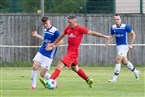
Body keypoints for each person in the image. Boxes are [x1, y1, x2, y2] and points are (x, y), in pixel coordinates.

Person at [40, 14, 112, 88]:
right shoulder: (68, 28)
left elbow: (92, 33)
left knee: (60, 65)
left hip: (73, 53)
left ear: (74, 21)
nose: (68, 24)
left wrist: (105, 36)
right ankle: (88, 79)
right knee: (75, 68)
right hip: (69, 52)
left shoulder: (80, 29)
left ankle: (50, 81)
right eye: (68, 22)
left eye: (70, 22)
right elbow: (61, 35)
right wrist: (53, 44)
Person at [105, 14, 140, 82]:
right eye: (115, 19)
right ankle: (136, 71)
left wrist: (131, 44)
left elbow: (133, 34)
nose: (116, 21)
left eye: (118, 19)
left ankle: (114, 79)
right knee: (125, 61)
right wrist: (107, 43)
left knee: (118, 60)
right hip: (118, 46)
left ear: (120, 19)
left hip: (124, 46)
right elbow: (111, 36)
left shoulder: (125, 26)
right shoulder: (113, 27)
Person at [31, 16, 63, 89]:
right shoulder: (45, 30)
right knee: (34, 66)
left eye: (46, 23)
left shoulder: (55, 31)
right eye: (43, 24)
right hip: (42, 51)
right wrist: (36, 35)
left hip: (49, 54)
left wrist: (52, 46)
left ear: (49, 21)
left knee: (42, 74)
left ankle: (53, 80)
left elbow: (61, 41)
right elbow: (45, 39)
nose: (45, 25)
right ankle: (33, 86)